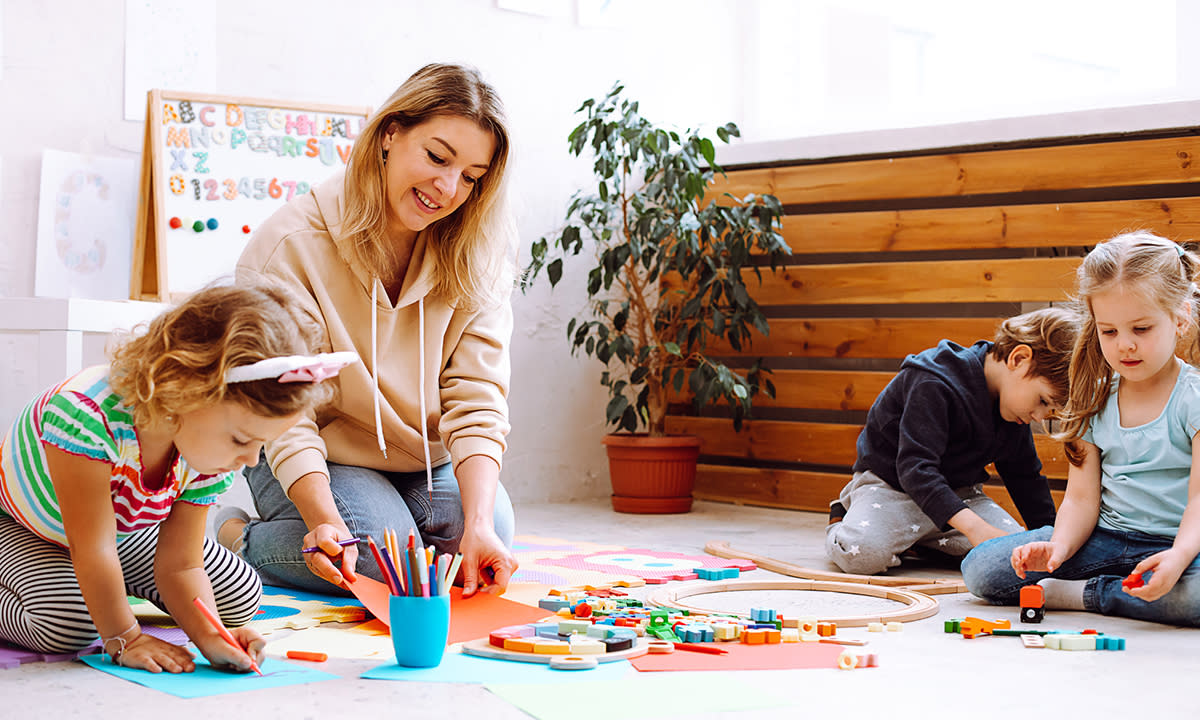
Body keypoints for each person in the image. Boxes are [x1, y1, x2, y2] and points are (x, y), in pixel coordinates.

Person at [225, 62, 518, 598]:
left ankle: (415, 523)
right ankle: (238, 543)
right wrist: (320, 517)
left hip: (423, 459)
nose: (448, 188)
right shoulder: (290, 244)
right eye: (436, 156)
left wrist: (475, 525)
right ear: (389, 134)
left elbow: (477, 398)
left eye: (472, 177)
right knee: (384, 567)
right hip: (314, 450)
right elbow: (286, 417)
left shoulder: (480, 254)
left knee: (489, 536)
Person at [0, 282, 349, 672]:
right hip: (26, 529)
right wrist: (124, 637)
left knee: (240, 595)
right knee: (69, 626)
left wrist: (212, 637)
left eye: (259, 445)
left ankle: (108, 592)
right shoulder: (87, 416)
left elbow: (181, 565)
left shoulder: (203, 452)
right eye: (241, 440)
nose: (250, 461)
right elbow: (92, 548)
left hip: (122, 535)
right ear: (187, 389)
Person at [962, 232, 1200, 626]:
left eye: (1141, 329)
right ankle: (1118, 587)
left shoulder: (1192, 399)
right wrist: (1057, 548)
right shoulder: (1095, 396)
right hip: (1104, 539)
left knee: (1194, 597)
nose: (1124, 346)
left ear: (1180, 318)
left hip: (1180, 544)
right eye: (1109, 331)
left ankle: (1086, 595)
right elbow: (1080, 500)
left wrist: (1177, 557)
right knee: (981, 569)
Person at [825, 306, 1079, 575]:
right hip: (892, 489)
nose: (1038, 417)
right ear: (1019, 359)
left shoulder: (1014, 410)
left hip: (959, 498)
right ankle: (842, 517)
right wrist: (976, 529)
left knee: (1015, 556)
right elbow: (915, 470)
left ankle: (921, 542)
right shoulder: (934, 380)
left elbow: (1026, 478)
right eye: (1042, 401)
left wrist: (1052, 540)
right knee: (862, 556)